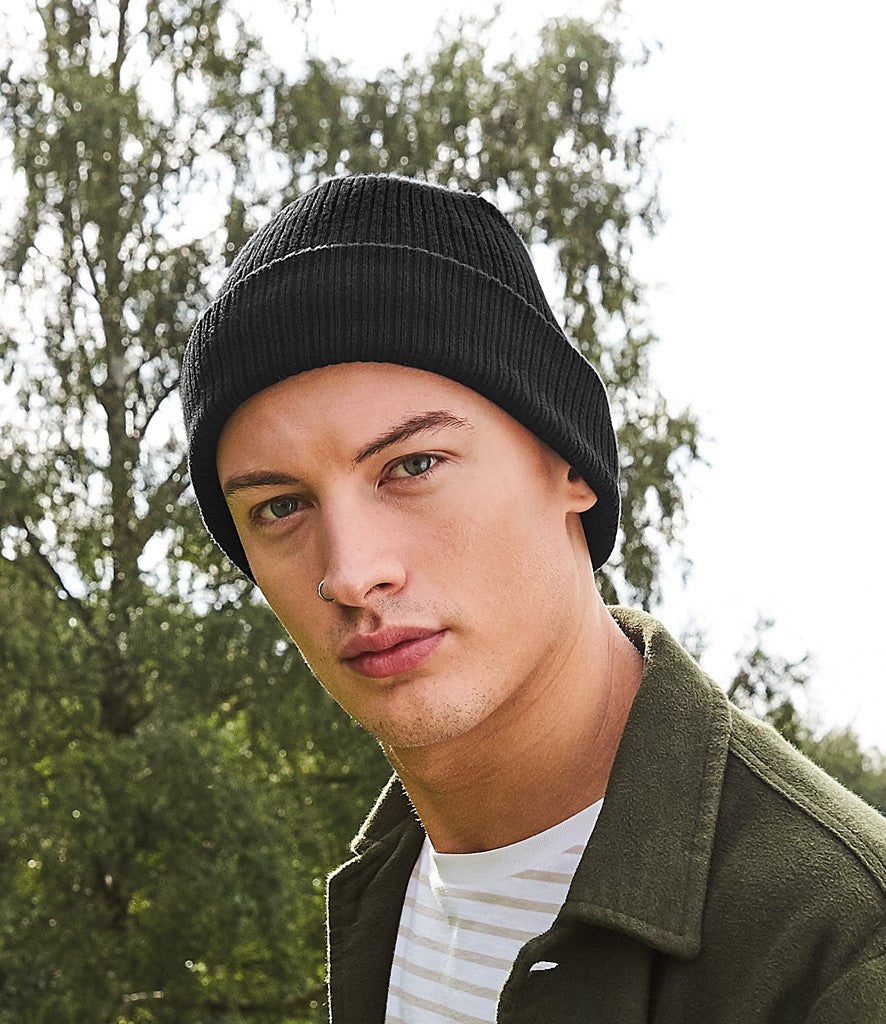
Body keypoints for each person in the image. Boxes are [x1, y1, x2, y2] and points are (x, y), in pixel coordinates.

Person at [180, 174, 886, 1024]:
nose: (352, 574)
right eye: (279, 508)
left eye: (412, 466)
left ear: (571, 464)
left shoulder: (839, 949)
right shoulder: (387, 888)